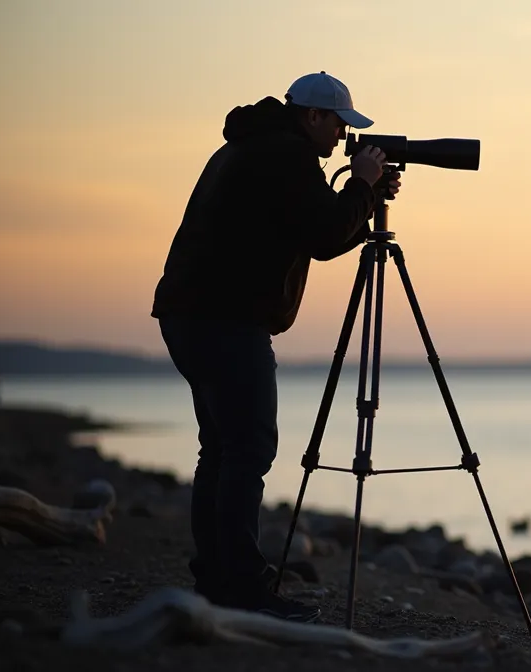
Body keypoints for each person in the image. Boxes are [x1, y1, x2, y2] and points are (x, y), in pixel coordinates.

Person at [151, 72, 401, 622]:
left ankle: (218, 580)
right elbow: (326, 234)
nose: (342, 137)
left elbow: (317, 227)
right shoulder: (284, 155)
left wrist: (362, 194)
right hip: (224, 321)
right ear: (312, 116)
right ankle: (241, 587)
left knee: (221, 449)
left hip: (191, 315)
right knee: (248, 448)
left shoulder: (252, 145)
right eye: (338, 124)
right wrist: (361, 187)